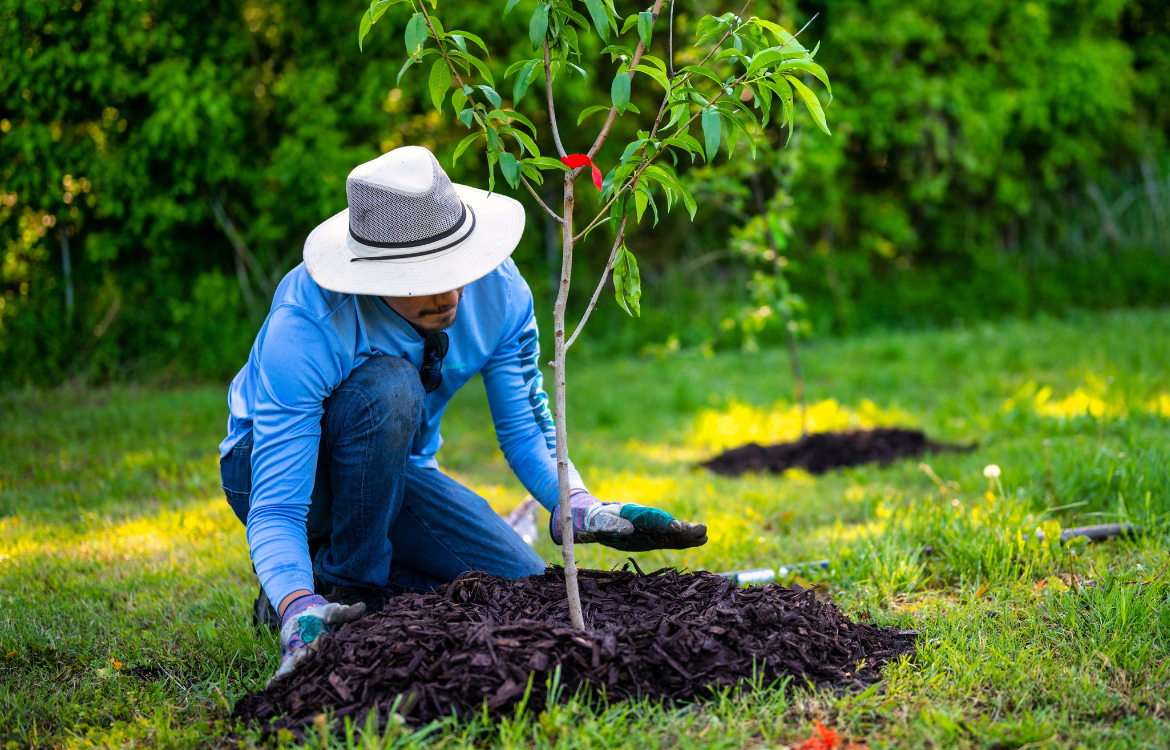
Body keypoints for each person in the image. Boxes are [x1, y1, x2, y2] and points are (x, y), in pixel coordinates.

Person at [218, 146, 707, 682]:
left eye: (458, 267)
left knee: (518, 584)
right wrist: (297, 606)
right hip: (273, 472)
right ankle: (330, 592)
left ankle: (322, 582)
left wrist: (578, 505)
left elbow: (526, 425)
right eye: (423, 276)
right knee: (391, 385)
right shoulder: (310, 323)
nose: (451, 292)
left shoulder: (499, 291)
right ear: (374, 274)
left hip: (395, 474)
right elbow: (277, 507)